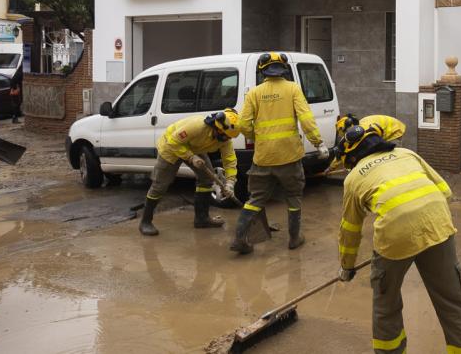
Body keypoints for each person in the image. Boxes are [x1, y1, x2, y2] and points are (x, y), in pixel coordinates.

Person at [336, 117, 461, 354]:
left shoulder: (353, 178)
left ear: (350, 157)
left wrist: (347, 267)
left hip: (394, 237)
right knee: (453, 302)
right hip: (437, 226)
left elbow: (350, 230)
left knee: (386, 304)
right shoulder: (407, 154)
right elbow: (445, 191)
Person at [230, 52, 329, 254]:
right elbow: (306, 119)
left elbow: (242, 124)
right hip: (289, 156)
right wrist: (318, 143)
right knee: (293, 197)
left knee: (255, 199)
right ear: (284, 70)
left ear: (262, 71)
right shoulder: (293, 89)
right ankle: (294, 238)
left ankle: (240, 239)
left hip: (263, 157)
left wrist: (257, 137)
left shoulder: (254, 94)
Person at [139, 108, 241, 236]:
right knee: (160, 185)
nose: (226, 139)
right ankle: (145, 222)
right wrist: (191, 157)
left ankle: (202, 219)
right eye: (225, 136)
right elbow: (173, 141)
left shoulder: (225, 139)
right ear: (218, 128)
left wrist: (230, 182)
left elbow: (230, 160)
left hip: (194, 147)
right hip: (171, 147)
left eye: (229, 137)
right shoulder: (197, 126)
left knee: (206, 179)